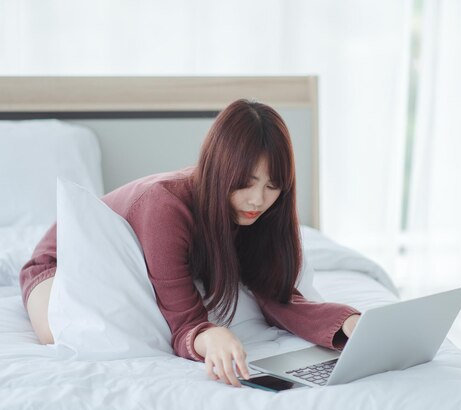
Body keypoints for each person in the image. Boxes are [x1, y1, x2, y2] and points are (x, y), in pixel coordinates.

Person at [19, 99, 361, 388]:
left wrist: (347, 323)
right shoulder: (165, 206)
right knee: (64, 328)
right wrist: (210, 336)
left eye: (273, 186)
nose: (258, 200)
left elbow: (278, 297)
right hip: (59, 259)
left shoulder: (259, 214)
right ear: (219, 168)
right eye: (245, 183)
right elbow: (183, 320)